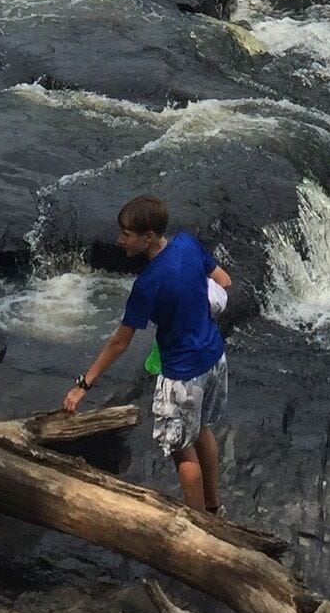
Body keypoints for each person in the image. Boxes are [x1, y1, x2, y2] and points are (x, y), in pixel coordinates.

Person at [62, 195, 231, 513]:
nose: (119, 240)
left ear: (148, 236)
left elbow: (119, 343)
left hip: (181, 375)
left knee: (182, 450)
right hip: (214, 357)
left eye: (126, 234)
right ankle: (214, 507)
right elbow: (224, 280)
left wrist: (83, 385)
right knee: (202, 429)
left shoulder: (148, 285)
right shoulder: (188, 243)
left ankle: (199, 526)